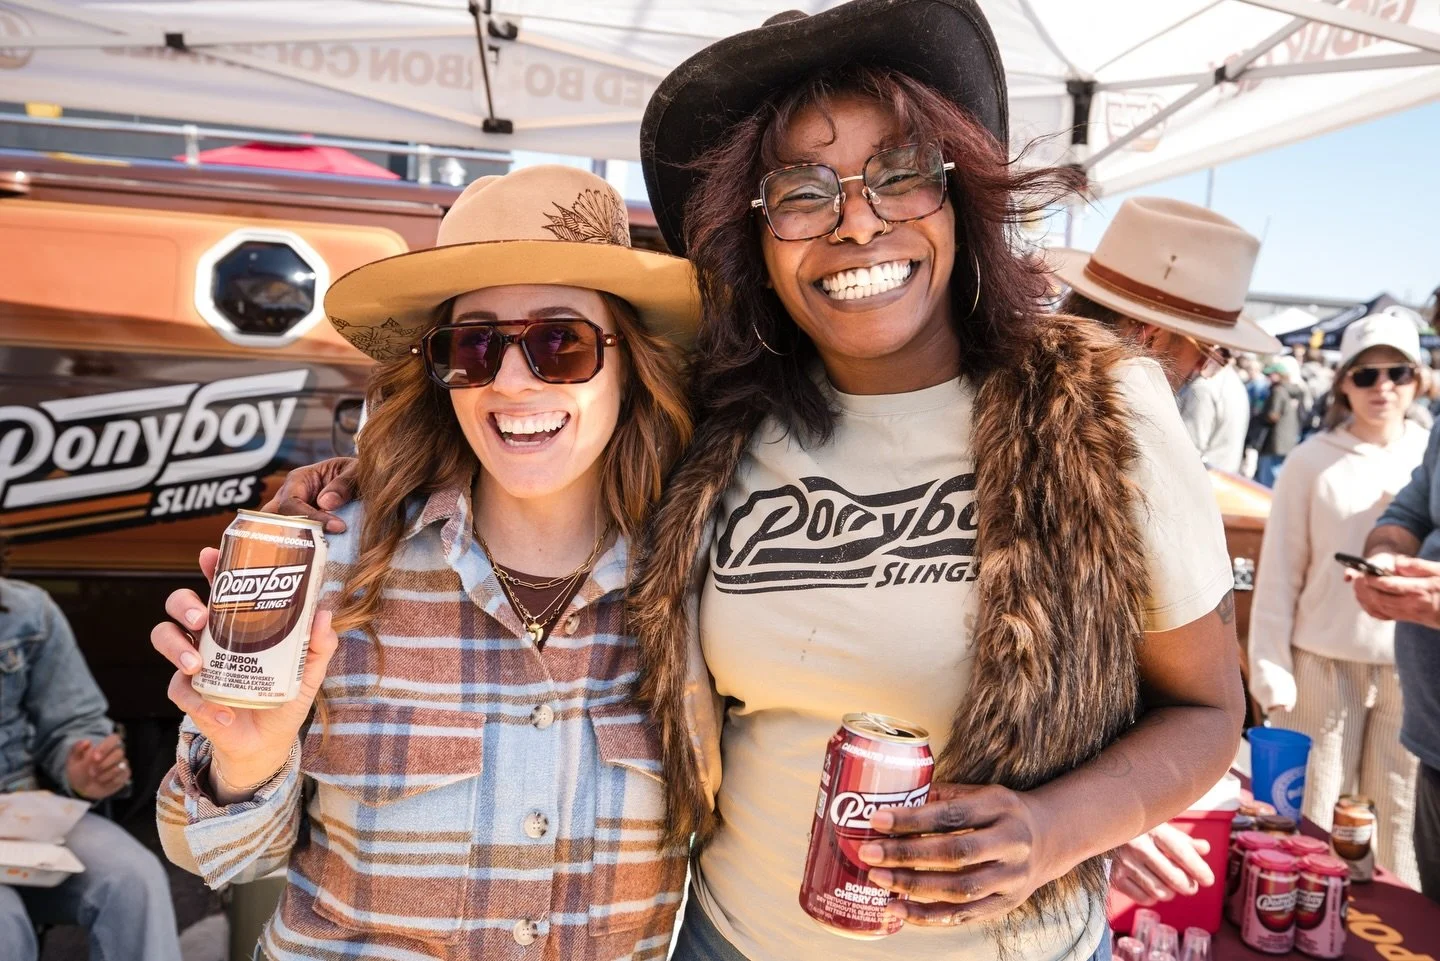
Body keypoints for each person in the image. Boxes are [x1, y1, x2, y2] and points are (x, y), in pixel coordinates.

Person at [274, 4, 1246, 959]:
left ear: (958, 193)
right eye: (802, 192)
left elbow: (1208, 709)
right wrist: (351, 487)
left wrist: (1060, 827)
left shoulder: (1094, 403)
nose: (857, 221)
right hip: (728, 939)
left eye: (901, 176)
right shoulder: (723, 419)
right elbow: (529, 414)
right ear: (757, 232)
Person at [149, 166, 696, 960]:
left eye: (560, 342)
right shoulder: (329, 557)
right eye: (472, 346)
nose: (510, 380)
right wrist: (246, 758)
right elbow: (216, 858)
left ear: (629, 362)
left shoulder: (702, 577)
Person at [1249, 312, 1428, 888]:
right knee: (1313, 822)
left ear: (1418, 379)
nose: (1384, 388)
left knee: (1400, 826)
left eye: (1399, 372)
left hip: (1413, 670)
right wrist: (1271, 674)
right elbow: (1279, 573)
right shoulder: (1309, 461)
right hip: (1322, 663)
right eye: (1367, 374)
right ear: (1344, 382)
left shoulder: (1430, 457)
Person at [0, 576, 181, 961]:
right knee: (5, 921)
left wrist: (83, 771)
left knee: (135, 880)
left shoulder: (29, 611)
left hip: (16, 810)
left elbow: (74, 725)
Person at [1050, 197, 1282, 474]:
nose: (1199, 369)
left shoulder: (1005, 388)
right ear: (1147, 337)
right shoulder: (1146, 463)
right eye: (1205, 352)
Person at [1256, 356, 1308, 487]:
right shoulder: (1298, 390)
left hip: (1274, 440)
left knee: (1266, 480)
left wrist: (1260, 416)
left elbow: (1273, 414)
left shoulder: (1278, 390)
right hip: (1289, 440)